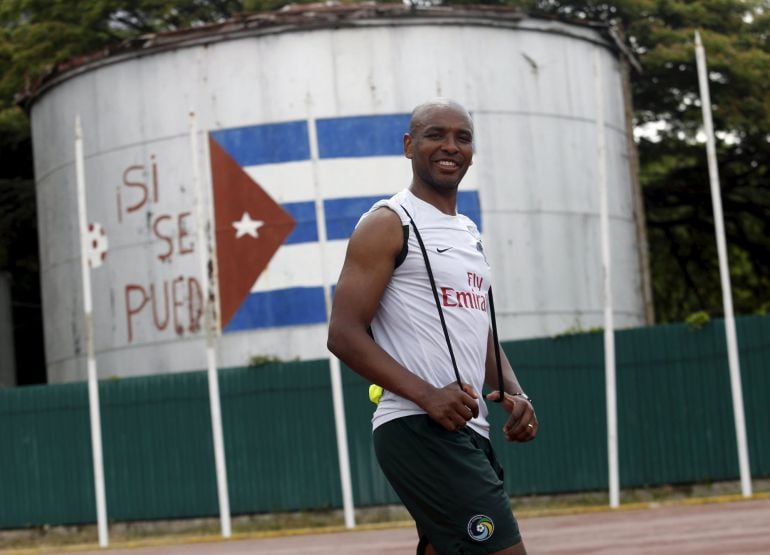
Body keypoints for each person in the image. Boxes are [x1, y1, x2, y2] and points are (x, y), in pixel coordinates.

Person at [327, 98, 538, 555]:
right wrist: (427, 394)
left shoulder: (466, 231)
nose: (450, 146)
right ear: (409, 145)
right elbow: (343, 334)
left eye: (462, 137)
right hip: (418, 425)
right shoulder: (387, 223)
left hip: (467, 427)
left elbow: (478, 329)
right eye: (435, 135)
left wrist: (515, 393)